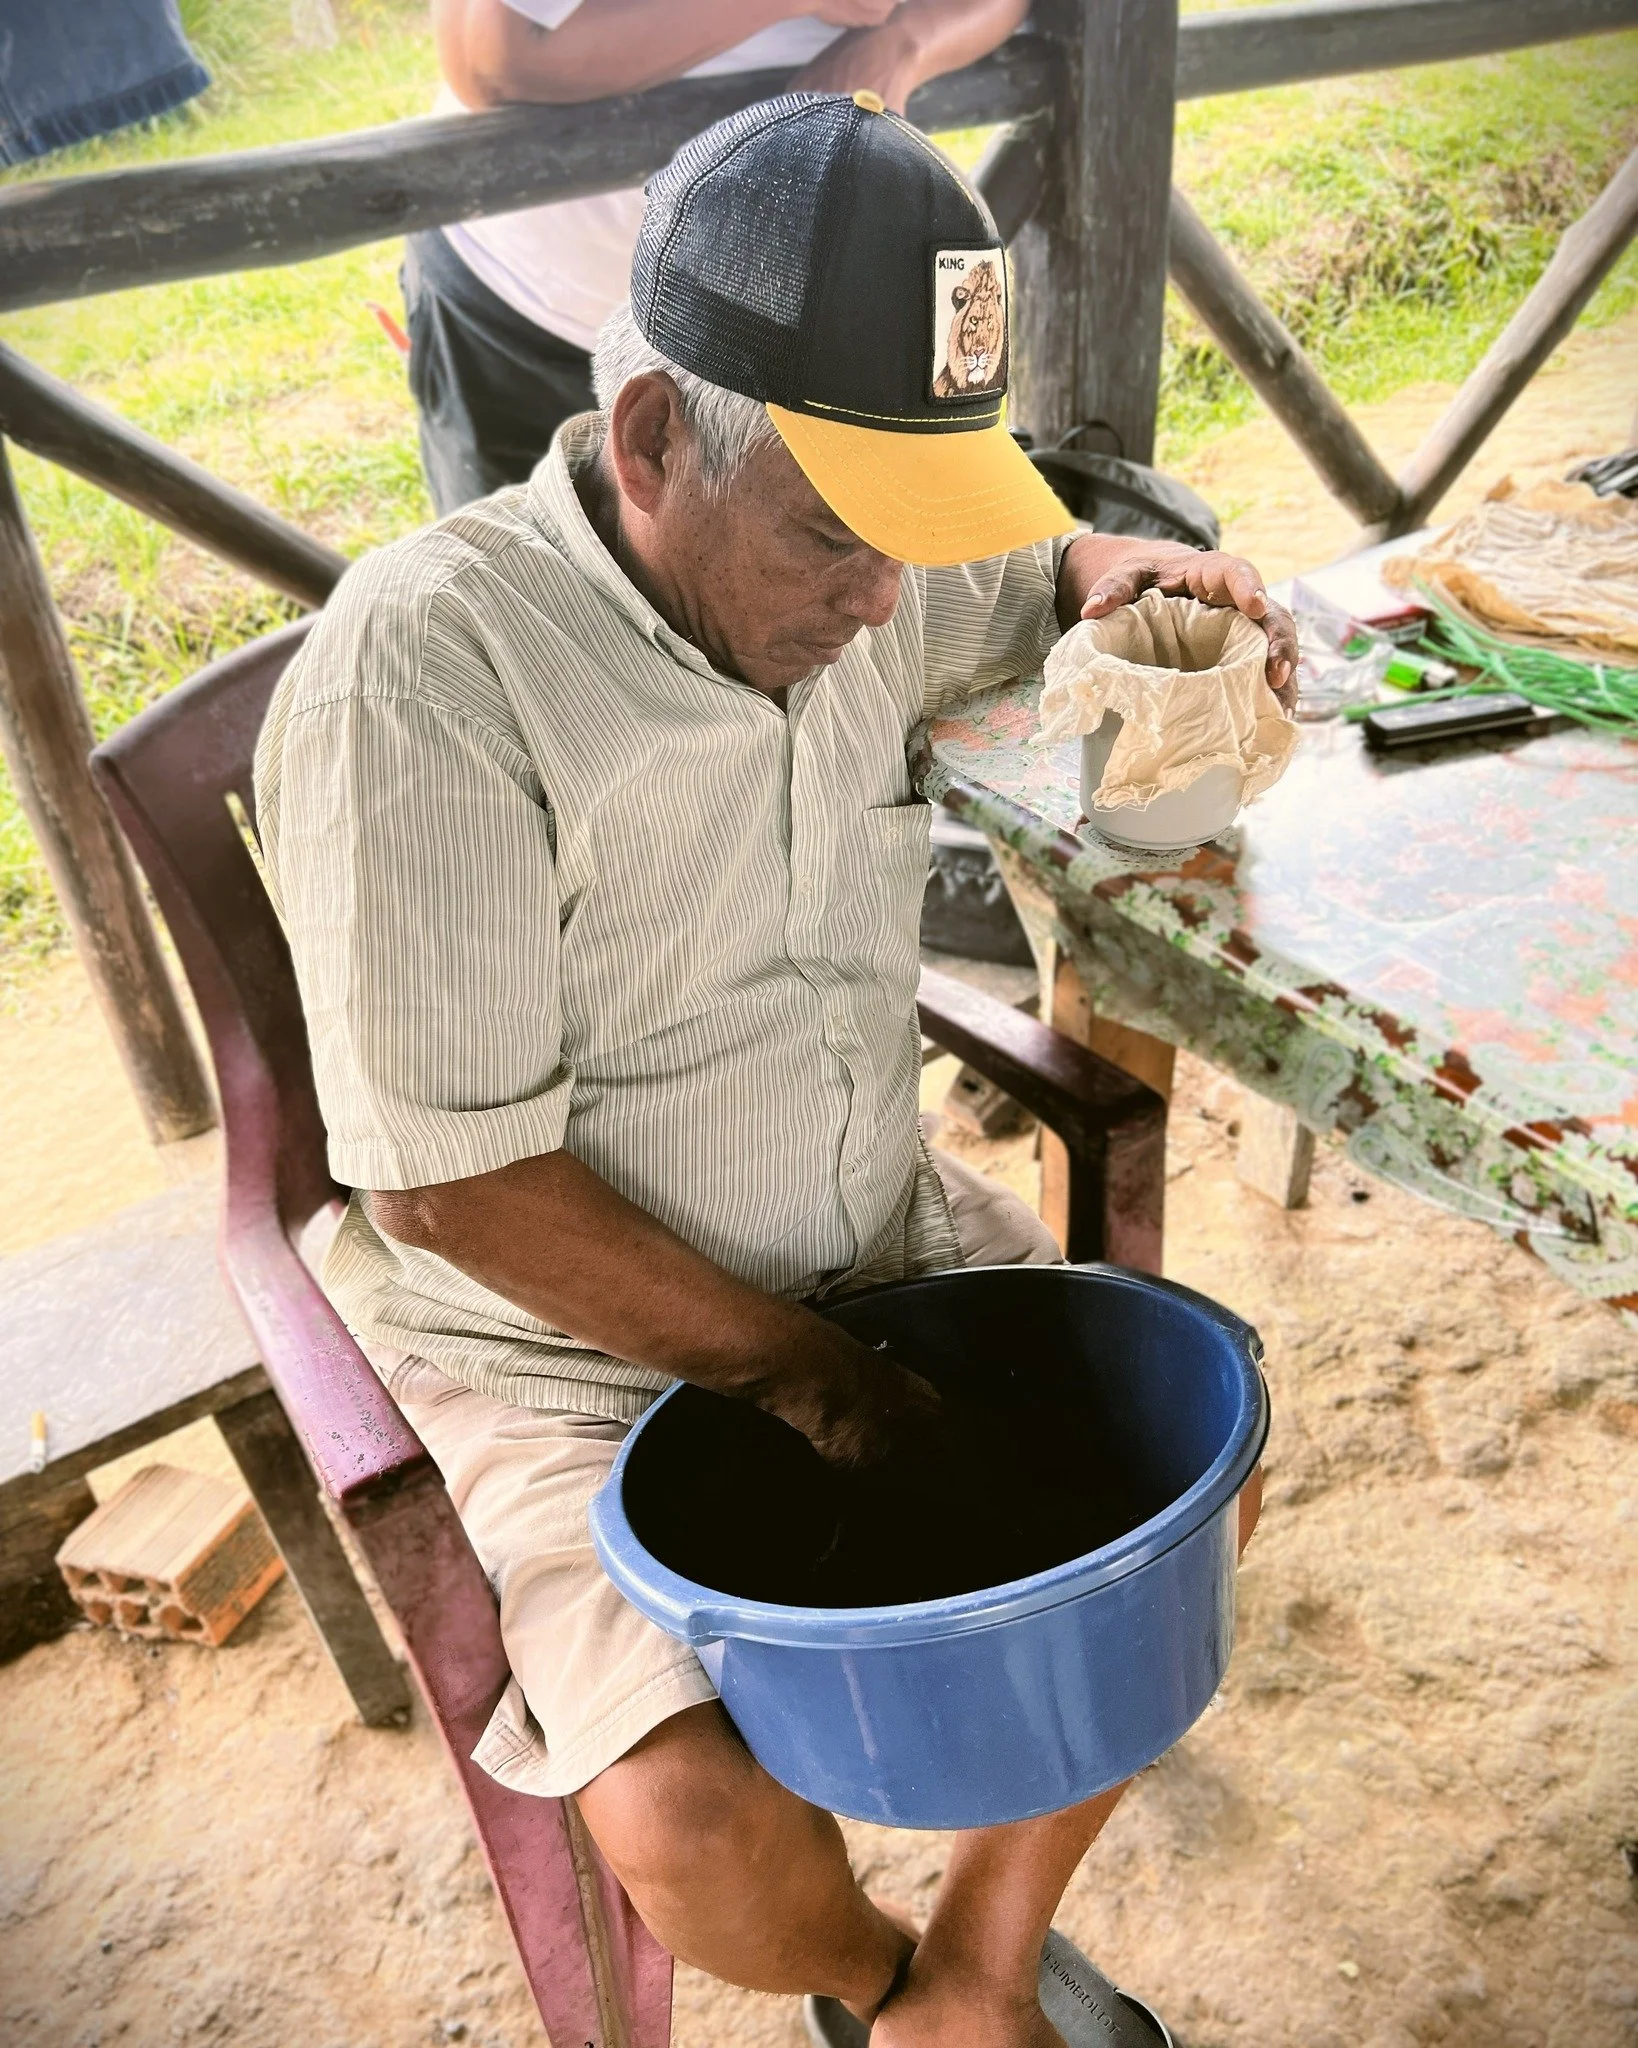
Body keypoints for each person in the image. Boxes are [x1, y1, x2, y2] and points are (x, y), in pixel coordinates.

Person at [259, 93, 1293, 2048]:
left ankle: (967, 1979)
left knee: (1193, 1494)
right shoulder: (433, 674)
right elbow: (450, 1186)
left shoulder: (856, 577)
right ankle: (862, 1973)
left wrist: (1100, 575)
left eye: (922, 529)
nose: (888, 600)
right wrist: (838, 1395)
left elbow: (1017, 578)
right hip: (565, 1355)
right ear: (652, 438)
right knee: (695, 1816)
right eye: (840, 531)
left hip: (881, 1240)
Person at [408, 0, 1029, 511]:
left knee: (764, 612)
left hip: (770, 328)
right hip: (527, 309)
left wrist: (907, 41)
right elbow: (489, 55)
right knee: (516, 610)